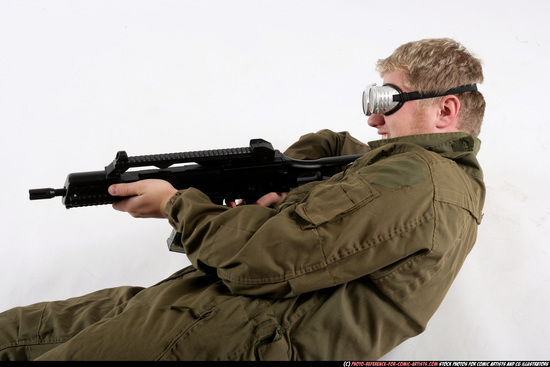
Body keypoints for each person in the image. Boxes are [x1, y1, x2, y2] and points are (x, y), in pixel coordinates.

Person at [0, 37, 486, 361]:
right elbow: (334, 143)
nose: (373, 120)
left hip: (230, 337)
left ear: (446, 110)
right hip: (201, 309)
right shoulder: (402, 172)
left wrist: (177, 204)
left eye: (387, 101)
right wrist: (276, 181)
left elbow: (264, 260)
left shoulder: (422, 180)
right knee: (15, 330)